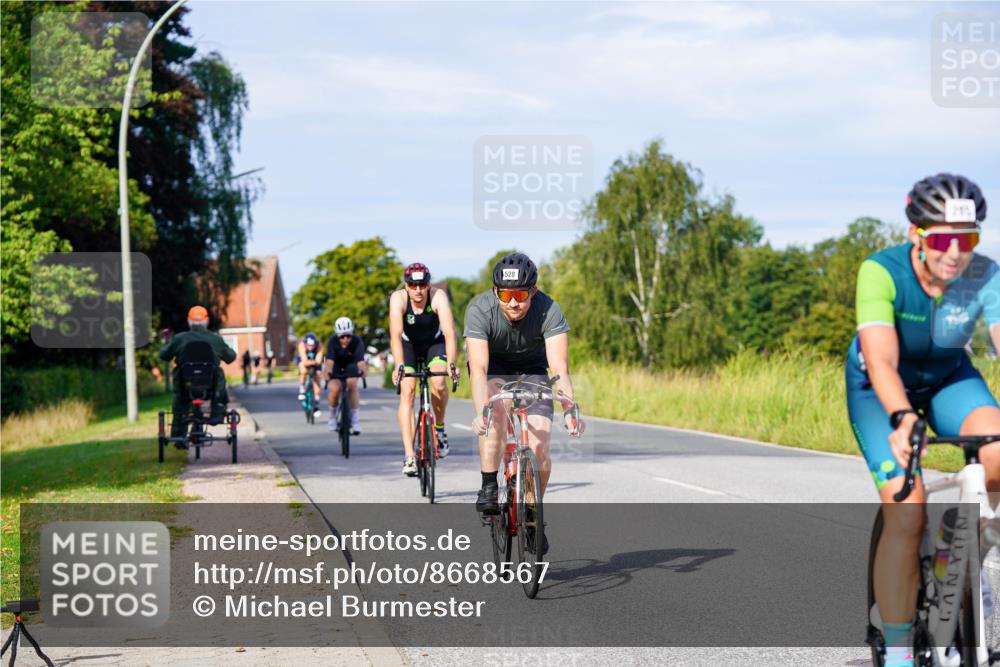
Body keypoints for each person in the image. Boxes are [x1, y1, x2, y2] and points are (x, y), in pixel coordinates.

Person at [847, 174, 1000, 667]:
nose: (955, 253)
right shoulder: (881, 271)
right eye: (941, 239)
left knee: (997, 457)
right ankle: (896, 651)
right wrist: (901, 417)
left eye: (967, 239)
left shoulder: (985, 274)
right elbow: (881, 361)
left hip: (949, 379)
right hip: (879, 389)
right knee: (907, 510)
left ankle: (957, 557)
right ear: (917, 234)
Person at [465, 252, 584, 554]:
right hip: (494, 369)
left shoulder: (549, 309)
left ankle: (532, 513)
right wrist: (482, 411)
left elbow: (560, 368)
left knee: (540, 443)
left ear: (532, 291)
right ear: (496, 292)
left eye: (520, 294)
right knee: (495, 416)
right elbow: (478, 369)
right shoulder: (480, 310)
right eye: (506, 295)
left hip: (533, 371)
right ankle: (489, 483)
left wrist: (570, 410)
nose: (513, 303)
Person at [389, 262, 461, 477]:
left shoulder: (438, 296)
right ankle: (410, 455)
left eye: (422, 285)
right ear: (406, 285)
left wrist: (451, 364)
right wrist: (399, 365)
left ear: (429, 284)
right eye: (413, 286)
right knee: (408, 391)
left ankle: (439, 429)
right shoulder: (398, 298)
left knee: (438, 383)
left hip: (434, 344)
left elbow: (449, 332)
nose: (418, 291)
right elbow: (395, 334)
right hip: (408, 345)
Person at [159, 306, 237, 437]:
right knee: (219, 372)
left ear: (189, 321)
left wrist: (167, 344)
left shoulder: (179, 338)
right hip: (211, 385)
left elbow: (164, 355)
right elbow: (231, 357)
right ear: (206, 321)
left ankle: (178, 434)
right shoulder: (215, 339)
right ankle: (217, 410)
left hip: (185, 385)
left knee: (180, 400)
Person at [324, 317, 367, 435]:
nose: (345, 339)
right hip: (336, 366)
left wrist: (363, 371)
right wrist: (327, 373)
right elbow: (329, 362)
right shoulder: (332, 341)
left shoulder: (357, 341)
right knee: (335, 389)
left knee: (352, 384)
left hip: (351, 366)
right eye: (342, 337)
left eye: (348, 336)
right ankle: (332, 417)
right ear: (337, 336)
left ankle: (355, 420)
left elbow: (361, 361)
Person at [296, 332, 325, 418]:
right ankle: (302, 389)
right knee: (303, 370)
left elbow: (319, 360)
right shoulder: (301, 345)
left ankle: (316, 401)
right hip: (304, 362)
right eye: (309, 345)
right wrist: (311, 362)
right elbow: (304, 361)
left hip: (315, 363)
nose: (311, 348)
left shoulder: (319, 346)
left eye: (312, 345)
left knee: (318, 377)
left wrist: (315, 363)